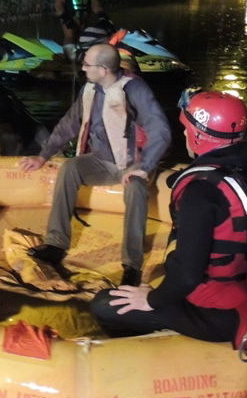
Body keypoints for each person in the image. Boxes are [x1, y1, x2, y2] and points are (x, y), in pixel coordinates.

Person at [89, 89, 247, 343]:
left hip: (220, 314)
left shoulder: (200, 191)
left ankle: (146, 349)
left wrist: (150, 299)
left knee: (105, 305)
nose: (184, 133)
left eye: (187, 128)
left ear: (199, 135)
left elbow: (188, 275)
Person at [19, 43, 171, 286]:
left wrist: (143, 166)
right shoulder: (90, 88)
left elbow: (161, 130)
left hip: (135, 162)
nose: (82, 68)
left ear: (103, 69)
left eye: (87, 64)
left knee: (135, 189)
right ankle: (56, 244)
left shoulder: (135, 89)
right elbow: (69, 123)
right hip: (102, 161)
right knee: (70, 168)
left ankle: (131, 265)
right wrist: (43, 155)